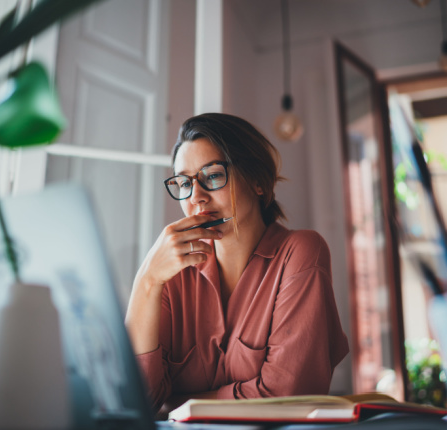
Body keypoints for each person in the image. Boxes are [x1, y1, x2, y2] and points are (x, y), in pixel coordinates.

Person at [125, 113, 349, 412]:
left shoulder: (300, 252)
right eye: (184, 183)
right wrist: (147, 281)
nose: (197, 198)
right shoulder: (171, 273)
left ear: (257, 180)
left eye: (213, 175)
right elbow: (135, 402)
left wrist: (178, 403)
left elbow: (286, 396)